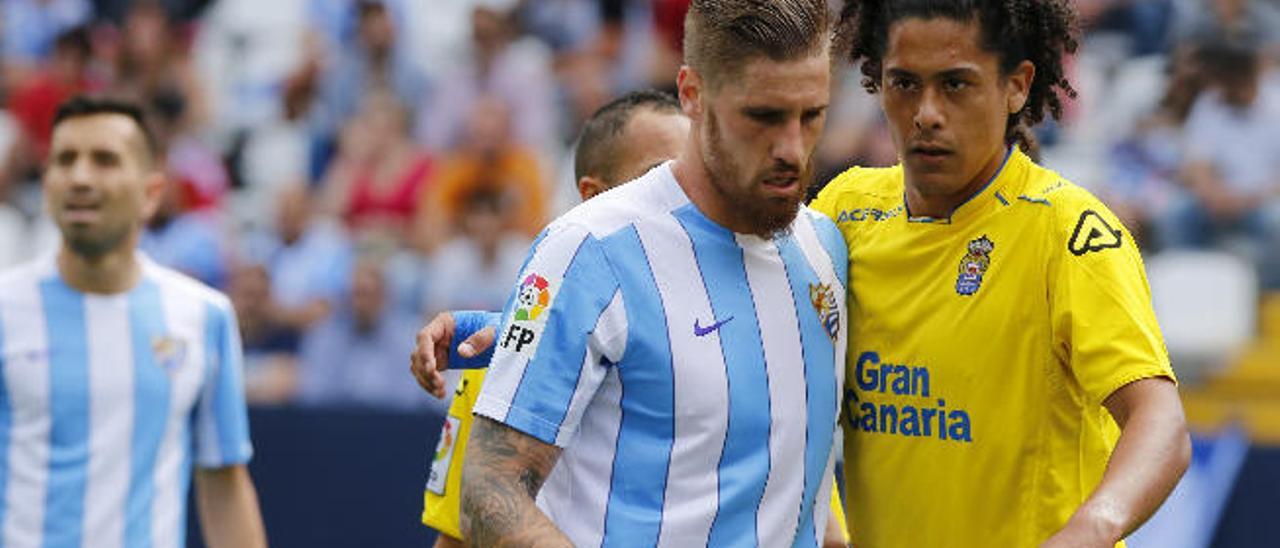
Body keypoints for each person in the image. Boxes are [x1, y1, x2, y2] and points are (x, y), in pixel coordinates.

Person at [442, 1, 848, 545]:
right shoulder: (589, 250)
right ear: (692, 94)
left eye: (812, 115)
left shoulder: (828, 248)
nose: (792, 149)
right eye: (764, 116)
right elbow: (489, 490)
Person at [810, 1, 1190, 546]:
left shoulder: (1068, 232)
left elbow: (1161, 421)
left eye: (956, 85)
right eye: (905, 83)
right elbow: (791, 392)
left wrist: (1093, 526)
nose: (926, 113)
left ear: (1016, 86)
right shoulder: (844, 210)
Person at [0, 96, 266, 547]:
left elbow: (224, 482)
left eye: (105, 160)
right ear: (46, 186)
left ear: (151, 193)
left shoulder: (203, 317)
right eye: (65, 160)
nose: (80, 177)